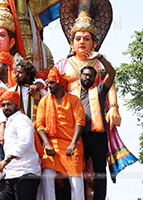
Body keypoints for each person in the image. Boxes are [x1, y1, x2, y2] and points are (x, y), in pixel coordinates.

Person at [56, 1, 137, 184]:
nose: (82, 42)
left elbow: (110, 82)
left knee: (96, 169)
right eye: (78, 39)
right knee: (74, 166)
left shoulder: (99, 64)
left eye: (86, 38)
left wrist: (114, 107)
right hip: (70, 122)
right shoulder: (62, 65)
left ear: (94, 42)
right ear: (71, 42)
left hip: (95, 120)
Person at [36, 67, 86, 200]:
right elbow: (39, 125)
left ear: (59, 84)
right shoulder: (44, 101)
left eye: (51, 83)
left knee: (76, 180)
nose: (49, 85)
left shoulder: (73, 100)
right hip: (51, 145)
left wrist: (73, 144)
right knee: (47, 175)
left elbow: (80, 122)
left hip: (72, 145)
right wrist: (47, 144)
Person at [72, 61, 115, 199]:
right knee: (79, 169)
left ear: (94, 78)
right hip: (80, 137)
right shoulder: (73, 94)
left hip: (98, 137)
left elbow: (112, 73)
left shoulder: (100, 90)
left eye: (90, 76)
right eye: (85, 75)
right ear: (80, 76)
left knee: (99, 171)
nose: (87, 78)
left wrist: (100, 57)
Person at [0, 91, 41, 200]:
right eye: (3, 105)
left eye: (9, 104)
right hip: (11, 173)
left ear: (17, 105)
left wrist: (7, 160)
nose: (5, 107)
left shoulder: (21, 119)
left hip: (25, 173)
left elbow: (26, 142)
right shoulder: (10, 122)